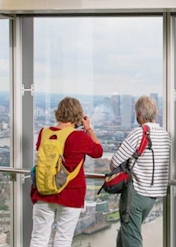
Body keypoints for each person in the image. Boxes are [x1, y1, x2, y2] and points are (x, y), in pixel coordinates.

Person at [29, 96, 103, 247]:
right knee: (63, 239)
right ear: (78, 115)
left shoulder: (44, 132)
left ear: (58, 112)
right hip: (70, 193)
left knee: (38, 238)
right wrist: (88, 128)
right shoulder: (79, 136)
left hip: (43, 190)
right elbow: (98, 151)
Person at [111, 95, 171, 247]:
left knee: (132, 237)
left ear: (138, 114)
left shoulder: (139, 133)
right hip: (153, 196)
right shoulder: (165, 135)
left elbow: (115, 162)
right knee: (126, 232)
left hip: (135, 194)